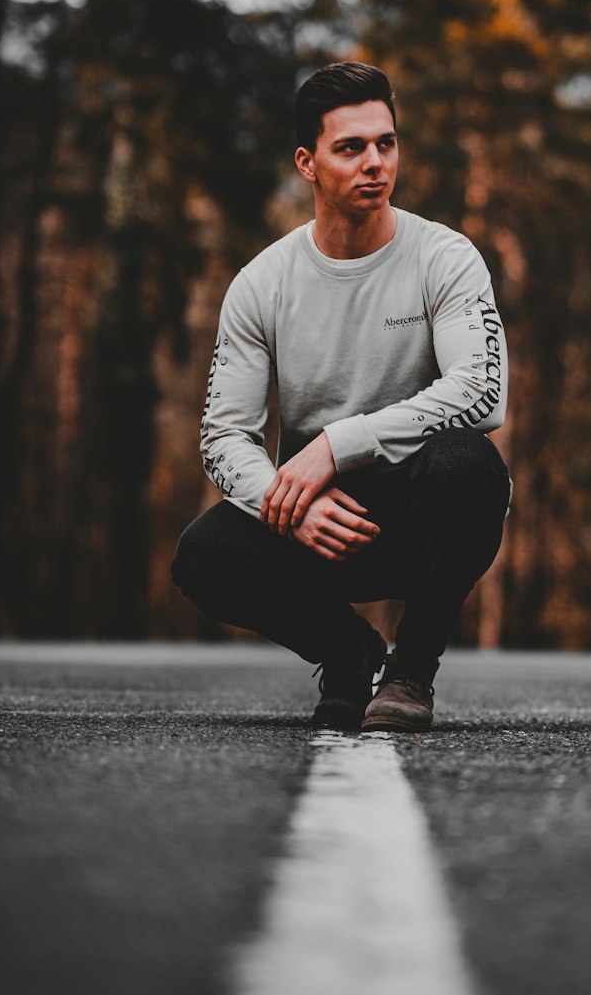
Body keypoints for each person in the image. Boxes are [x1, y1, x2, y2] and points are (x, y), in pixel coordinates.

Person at [169, 61, 511, 731]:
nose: (374, 163)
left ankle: (411, 670)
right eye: (350, 147)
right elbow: (224, 434)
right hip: (316, 522)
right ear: (307, 162)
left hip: (418, 508)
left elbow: (481, 393)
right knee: (203, 554)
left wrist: (337, 443)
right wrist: (286, 505)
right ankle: (346, 651)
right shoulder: (262, 283)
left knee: (469, 466)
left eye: (386, 143)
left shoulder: (446, 258)